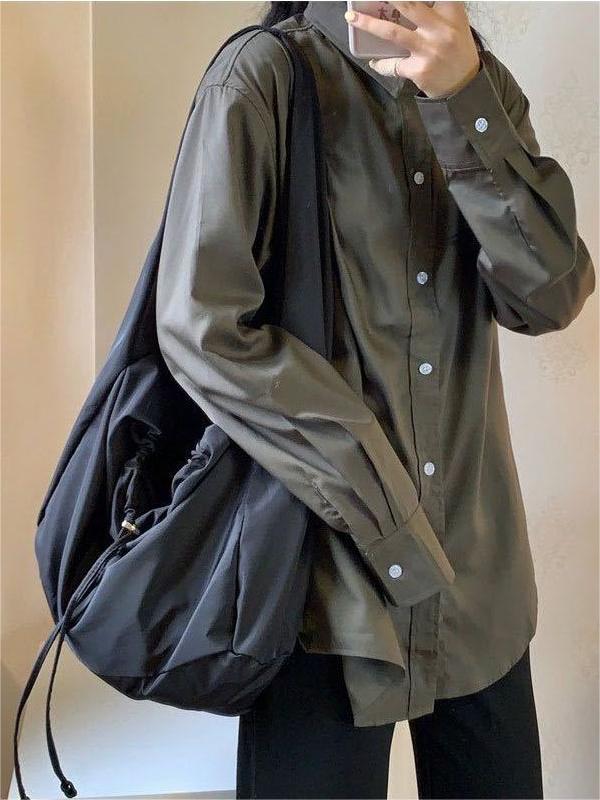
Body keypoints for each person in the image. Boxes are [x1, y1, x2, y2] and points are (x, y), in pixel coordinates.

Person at [154, 1, 596, 798]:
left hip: (475, 584)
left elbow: (550, 295)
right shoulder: (264, 77)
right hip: (322, 594)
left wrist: (463, 101)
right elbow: (204, 328)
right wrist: (381, 506)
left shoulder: (483, 86)